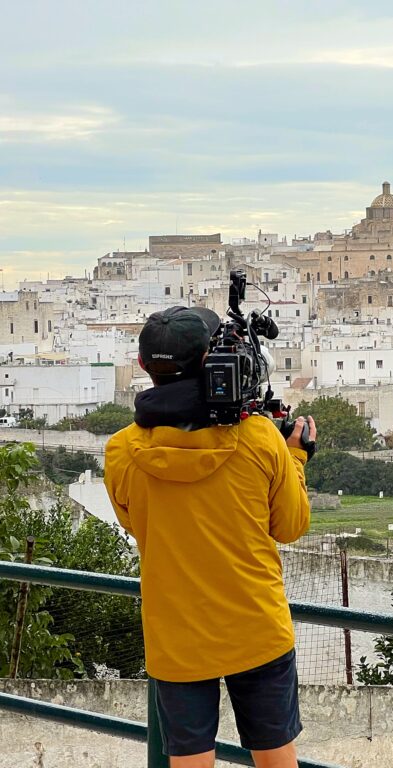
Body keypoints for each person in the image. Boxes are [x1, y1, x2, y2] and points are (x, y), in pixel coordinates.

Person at [104, 306, 314, 768]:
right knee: (276, 757)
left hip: (175, 633)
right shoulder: (260, 438)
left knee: (190, 763)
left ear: (143, 367)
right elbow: (291, 526)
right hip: (256, 625)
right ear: (213, 362)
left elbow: (135, 524)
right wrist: (295, 458)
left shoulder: (121, 451)